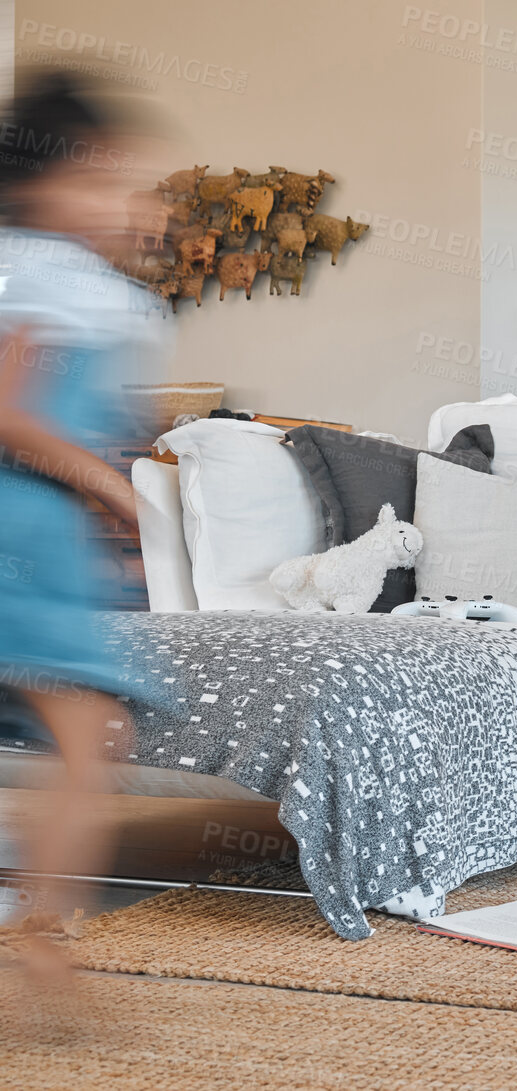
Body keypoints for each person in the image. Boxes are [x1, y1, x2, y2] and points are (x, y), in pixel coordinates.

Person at [0, 71, 167, 957]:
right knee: (90, 733)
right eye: (101, 180)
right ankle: (38, 930)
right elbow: (12, 415)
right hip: (19, 533)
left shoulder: (73, 279)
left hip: (44, 542)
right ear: (41, 185)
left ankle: (38, 923)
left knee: (94, 732)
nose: (122, 201)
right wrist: (113, 494)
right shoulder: (40, 273)